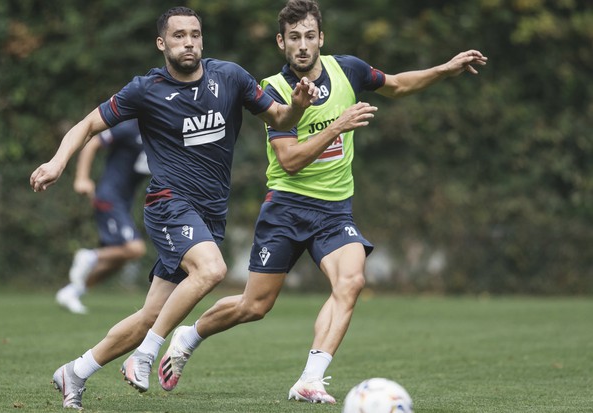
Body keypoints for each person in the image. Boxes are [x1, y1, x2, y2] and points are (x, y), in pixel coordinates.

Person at [156, 0, 488, 404]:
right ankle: (188, 337)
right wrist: (338, 125)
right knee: (254, 305)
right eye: (293, 38)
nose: (302, 45)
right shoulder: (274, 91)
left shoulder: (347, 69)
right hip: (286, 209)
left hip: (334, 211)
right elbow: (290, 162)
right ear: (281, 42)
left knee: (351, 281)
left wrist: (443, 70)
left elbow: (399, 84)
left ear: (321, 39)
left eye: (309, 36)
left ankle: (310, 378)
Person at [29, 6, 319, 409]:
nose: (189, 42)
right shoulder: (145, 90)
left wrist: (300, 106)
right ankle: (145, 356)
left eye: (195, 35)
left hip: (208, 214)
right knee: (213, 269)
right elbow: (87, 126)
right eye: (179, 35)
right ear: (162, 44)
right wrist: (58, 163)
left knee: (150, 315)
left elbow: (280, 116)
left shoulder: (231, 77)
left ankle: (74, 372)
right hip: (169, 205)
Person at [55, 119, 150, 315]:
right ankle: (89, 256)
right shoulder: (130, 127)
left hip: (124, 202)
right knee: (135, 249)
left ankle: (72, 291)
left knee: (118, 260)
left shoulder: (163, 132)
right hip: (109, 197)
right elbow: (92, 143)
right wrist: (82, 178)